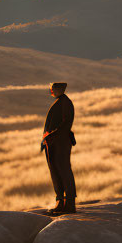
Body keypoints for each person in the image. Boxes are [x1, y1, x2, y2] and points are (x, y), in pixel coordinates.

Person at [41, 82, 77, 214]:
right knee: (56, 170)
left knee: (63, 170)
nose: (51, 91)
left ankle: (69, 203)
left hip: (60, 142)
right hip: (53, 142)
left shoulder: (65, 102)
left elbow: (67, 122)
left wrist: (52, 135)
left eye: (52, 89)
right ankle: (60, 201)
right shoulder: (61, 102)